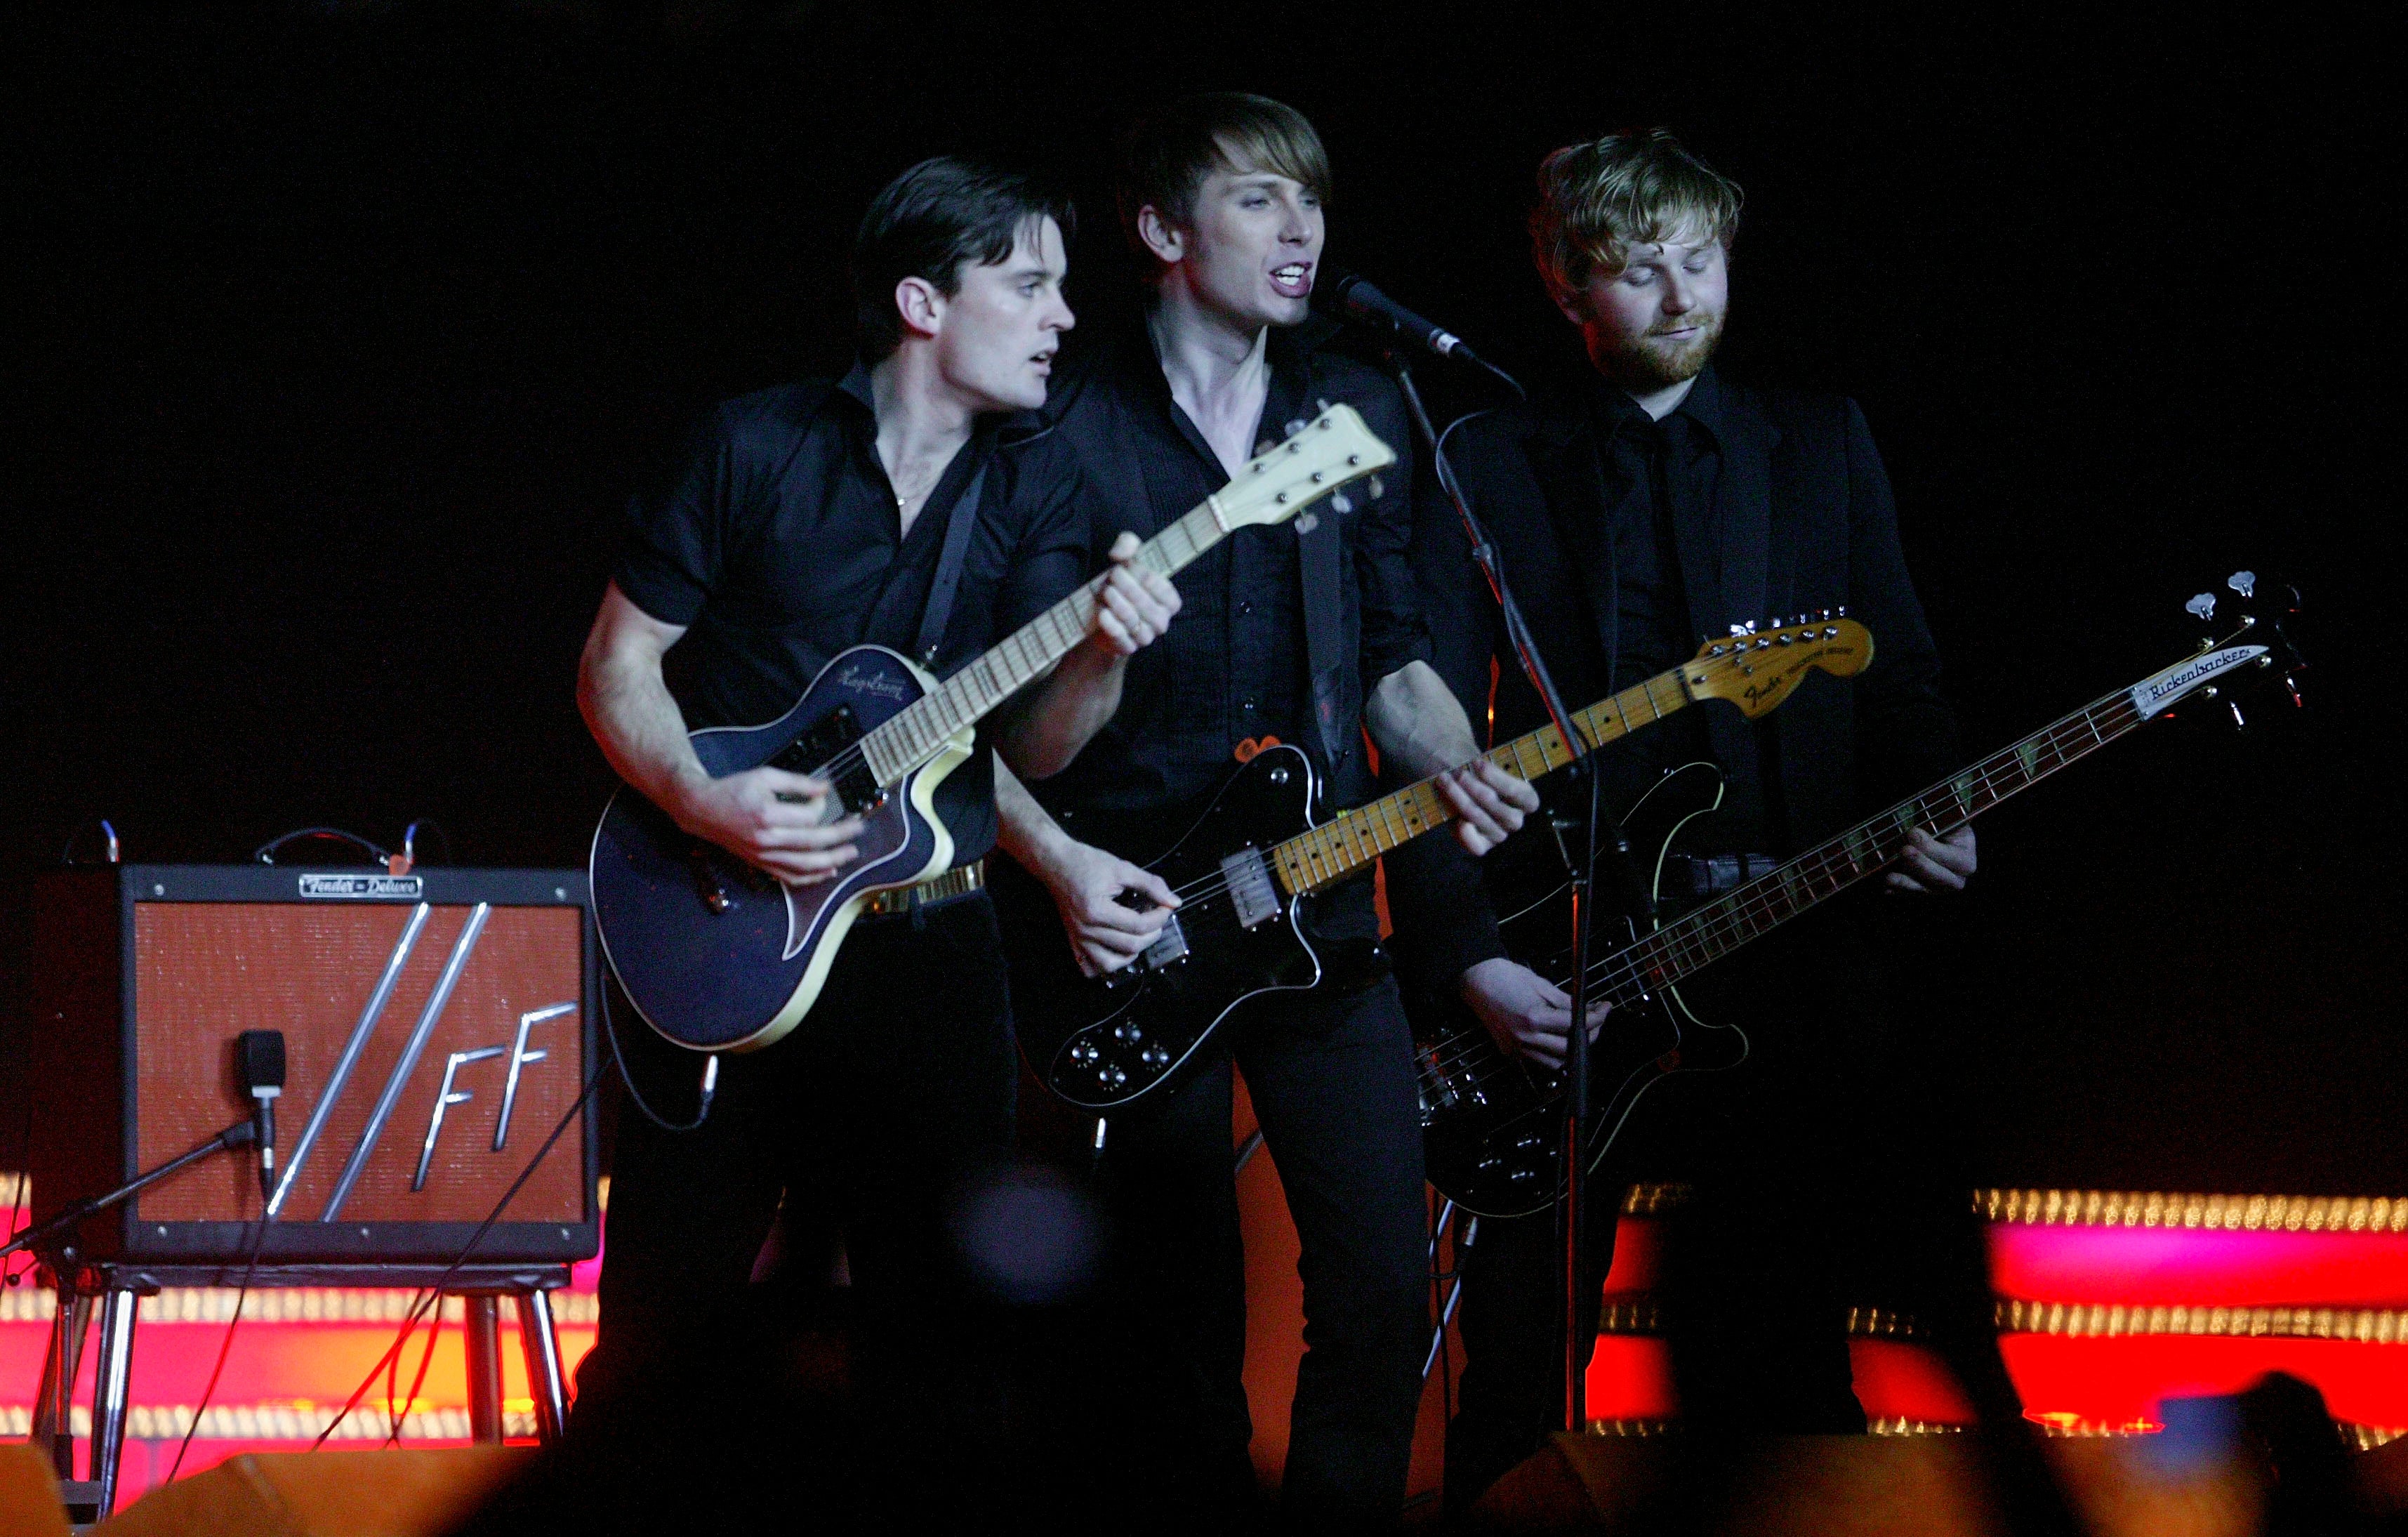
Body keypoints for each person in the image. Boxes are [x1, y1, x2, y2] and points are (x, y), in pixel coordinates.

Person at [1390, 128, 2025, 1516]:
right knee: (1517, 1350)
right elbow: (1417, 727)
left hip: (1789, 942)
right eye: (1635, 270)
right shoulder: (1485, 458)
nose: (1679, 295)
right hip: (1561, 958)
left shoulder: (1817, 437)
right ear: (1566, 286)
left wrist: (1943, 819)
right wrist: (1462, 961)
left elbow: (1898, 671)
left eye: (1699, 259)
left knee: (1795, 1345)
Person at [567, 156, 1179, 1526]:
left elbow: (1030, 755)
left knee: (944, 1338)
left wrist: (1102, 657)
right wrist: (701, 799)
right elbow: (618, 668)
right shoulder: (751, 447)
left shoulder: (1039, 493)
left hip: (932, 947)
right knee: (668, 1309)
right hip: (718, 926)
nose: (1060, 316)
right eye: (1026, 284)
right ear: (920, 301)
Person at [990, 93, 1537, 1529]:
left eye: (1310, 203)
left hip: (1315, 918)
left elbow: (1396, 654)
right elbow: (1027, 754)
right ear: (1162, 230)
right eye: (1256, 201)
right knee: (1174, 1320)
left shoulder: (1352, 414)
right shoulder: (1067, 431)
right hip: (1138, 929)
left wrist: (1451, 764)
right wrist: (1098, 656)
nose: (1298, 232)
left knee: (1375, 1289)